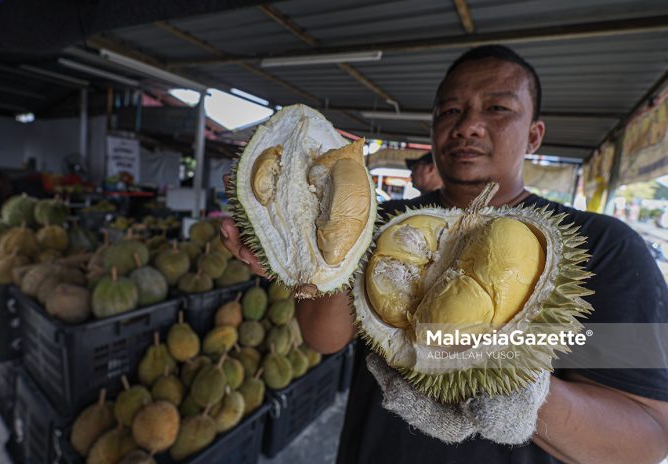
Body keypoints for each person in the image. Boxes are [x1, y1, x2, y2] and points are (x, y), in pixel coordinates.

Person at [220, 45, 668, 463]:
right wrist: (314, 264)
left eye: (497, 108)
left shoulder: (604, 247)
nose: (468, 125)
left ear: (534, 135)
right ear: (432, 128)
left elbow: (646, 436)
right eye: (450, 110)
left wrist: (529, 400)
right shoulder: (379, 222)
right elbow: (324, 338)